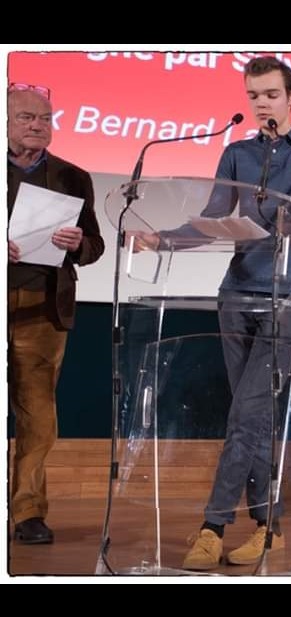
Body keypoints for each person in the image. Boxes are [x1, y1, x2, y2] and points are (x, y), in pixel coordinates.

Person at [155, 56, 291, 570]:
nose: (261, 103)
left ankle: (212, 524)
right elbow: (215, 217)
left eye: (270, 94)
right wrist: (162, 239)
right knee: (253, 418)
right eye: (254, 95)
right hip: (237, 294)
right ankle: (270, 527)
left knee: (247, 417)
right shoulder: (237, 153)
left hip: (288, 296)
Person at [7, 83, 105, 545]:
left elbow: (95, 244)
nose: (38, 125)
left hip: (44, 308)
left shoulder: (72, 176)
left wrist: (78, 245)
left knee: (38, 415)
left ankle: (26, 512)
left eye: (45, 118)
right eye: (27, 117)